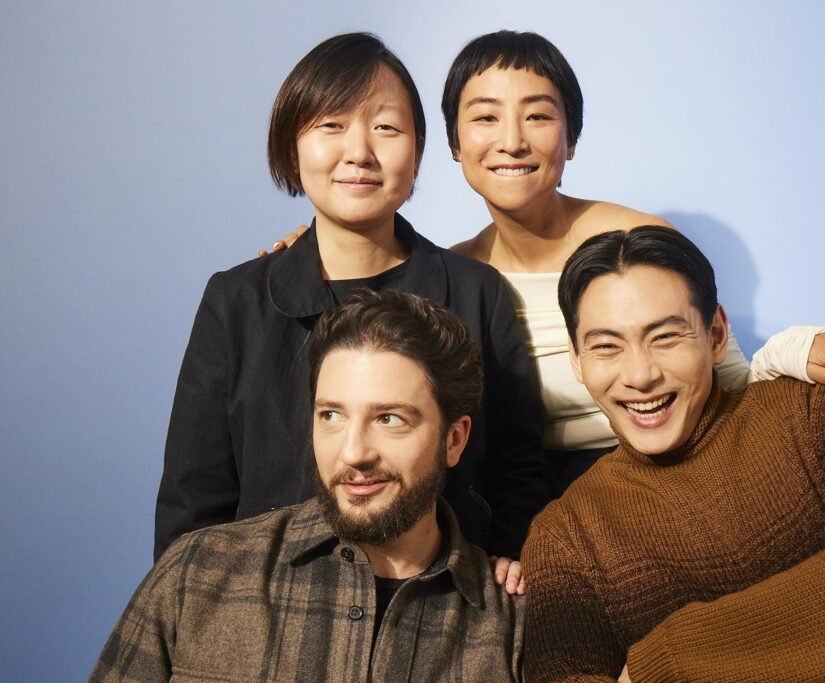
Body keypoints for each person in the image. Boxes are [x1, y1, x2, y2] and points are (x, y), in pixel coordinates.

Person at [274, 30, 825, 496]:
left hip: (667, 476)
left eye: (539, 116)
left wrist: (799, 345)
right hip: (535, 510)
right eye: (485, 118)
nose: (512, 140)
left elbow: (724, 378)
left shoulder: (635, 240)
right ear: (455, 146)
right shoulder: (455, 278)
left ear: (570, 138)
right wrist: (313, 247)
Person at [520, 227, 825, 682]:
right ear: (577, 361)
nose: (640, 374)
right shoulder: (564, 539)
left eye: (665, 337)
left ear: (715, 335)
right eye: (606, 346)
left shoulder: (824, 404)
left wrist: (666, 662)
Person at [156, 33, 547, 583]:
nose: (359, 152)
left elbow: (518, 465)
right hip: (265, 609)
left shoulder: (476, 292)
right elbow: (192, 499)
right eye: (330, 126)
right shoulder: (236, 300)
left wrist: (509, 562)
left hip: (437, 605)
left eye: (385, 128)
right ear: (292, 146)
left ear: (418, 149)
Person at [93, 290, 524, 682]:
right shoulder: (196, 572)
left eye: (389, 419)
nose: (353, 453)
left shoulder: (512, 626)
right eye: (331, 416)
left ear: (454, 440)